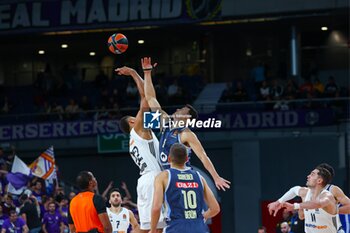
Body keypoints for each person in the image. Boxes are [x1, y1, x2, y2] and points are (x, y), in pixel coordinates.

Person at [142, 57, 230, 191]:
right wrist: (147, 73)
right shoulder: (165, 123)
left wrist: (216, 177)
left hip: (181, 179)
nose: (177, 110)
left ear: (187, 117)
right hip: (166, 177)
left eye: (181, 110)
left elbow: (203, 156)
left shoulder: (187, 134)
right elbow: (151, 98)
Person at [117, 65, 165, 233]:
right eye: (134, 116)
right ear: (132, 122)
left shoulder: (137, 137)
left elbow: (151, 99)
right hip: (153, 179)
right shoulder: (138, 129)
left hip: (143, 181)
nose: (137, 116)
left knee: (144, 228)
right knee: (157, 229)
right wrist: (134, 73)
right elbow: (145, 97)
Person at [150, 143, 220, 233]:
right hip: (198, 227)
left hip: (176, 227)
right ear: (186, 159)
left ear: (169, 159)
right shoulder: (199, 177)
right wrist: (203, 217)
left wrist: (152, 230)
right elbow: (215, 208)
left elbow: (156, 208)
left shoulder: (164, 176)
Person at [268, 163, 350, 232]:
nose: (308, 176)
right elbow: (301, 215)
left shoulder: (330, 193)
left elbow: (318, 204)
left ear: (320, 180)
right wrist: (278, 202)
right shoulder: (305, 192)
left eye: (312, 174)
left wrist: (335, 210)